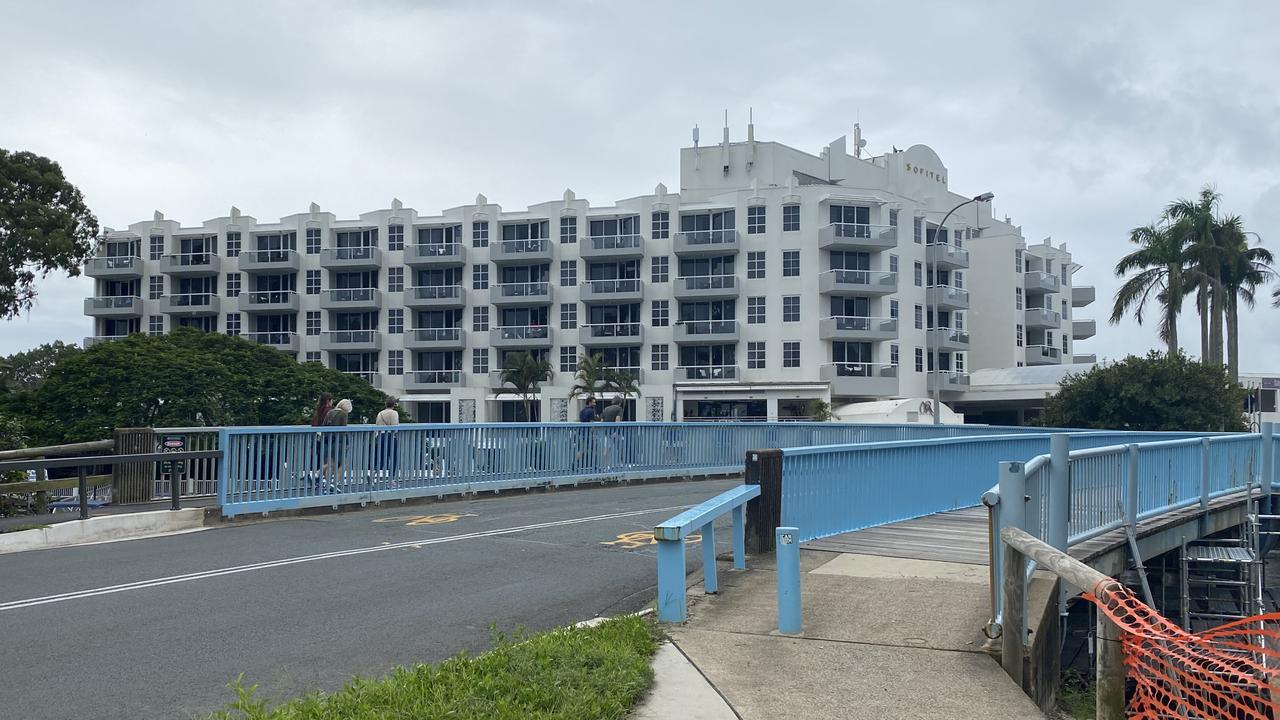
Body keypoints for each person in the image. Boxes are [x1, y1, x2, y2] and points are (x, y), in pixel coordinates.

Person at [322, 398, 352, 490]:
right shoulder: (343, 414)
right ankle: (335, 483)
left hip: (328, 441)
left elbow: (324, 426)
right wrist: (347, 443)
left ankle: (327, 483)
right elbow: (344, 429)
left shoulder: (330, 412)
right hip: (339, 442)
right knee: (343, 465)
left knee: (330, 464)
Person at [375, 398, 400, 480]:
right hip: (390, 436)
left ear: (385, 404)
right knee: (393, 457)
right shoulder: (394, 413)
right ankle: (391, 478)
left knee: (381, 457)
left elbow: (377, 426)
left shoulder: (380, 413)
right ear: (393, 405)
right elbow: (395, 427)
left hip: (381, 436)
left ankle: (373, 472)